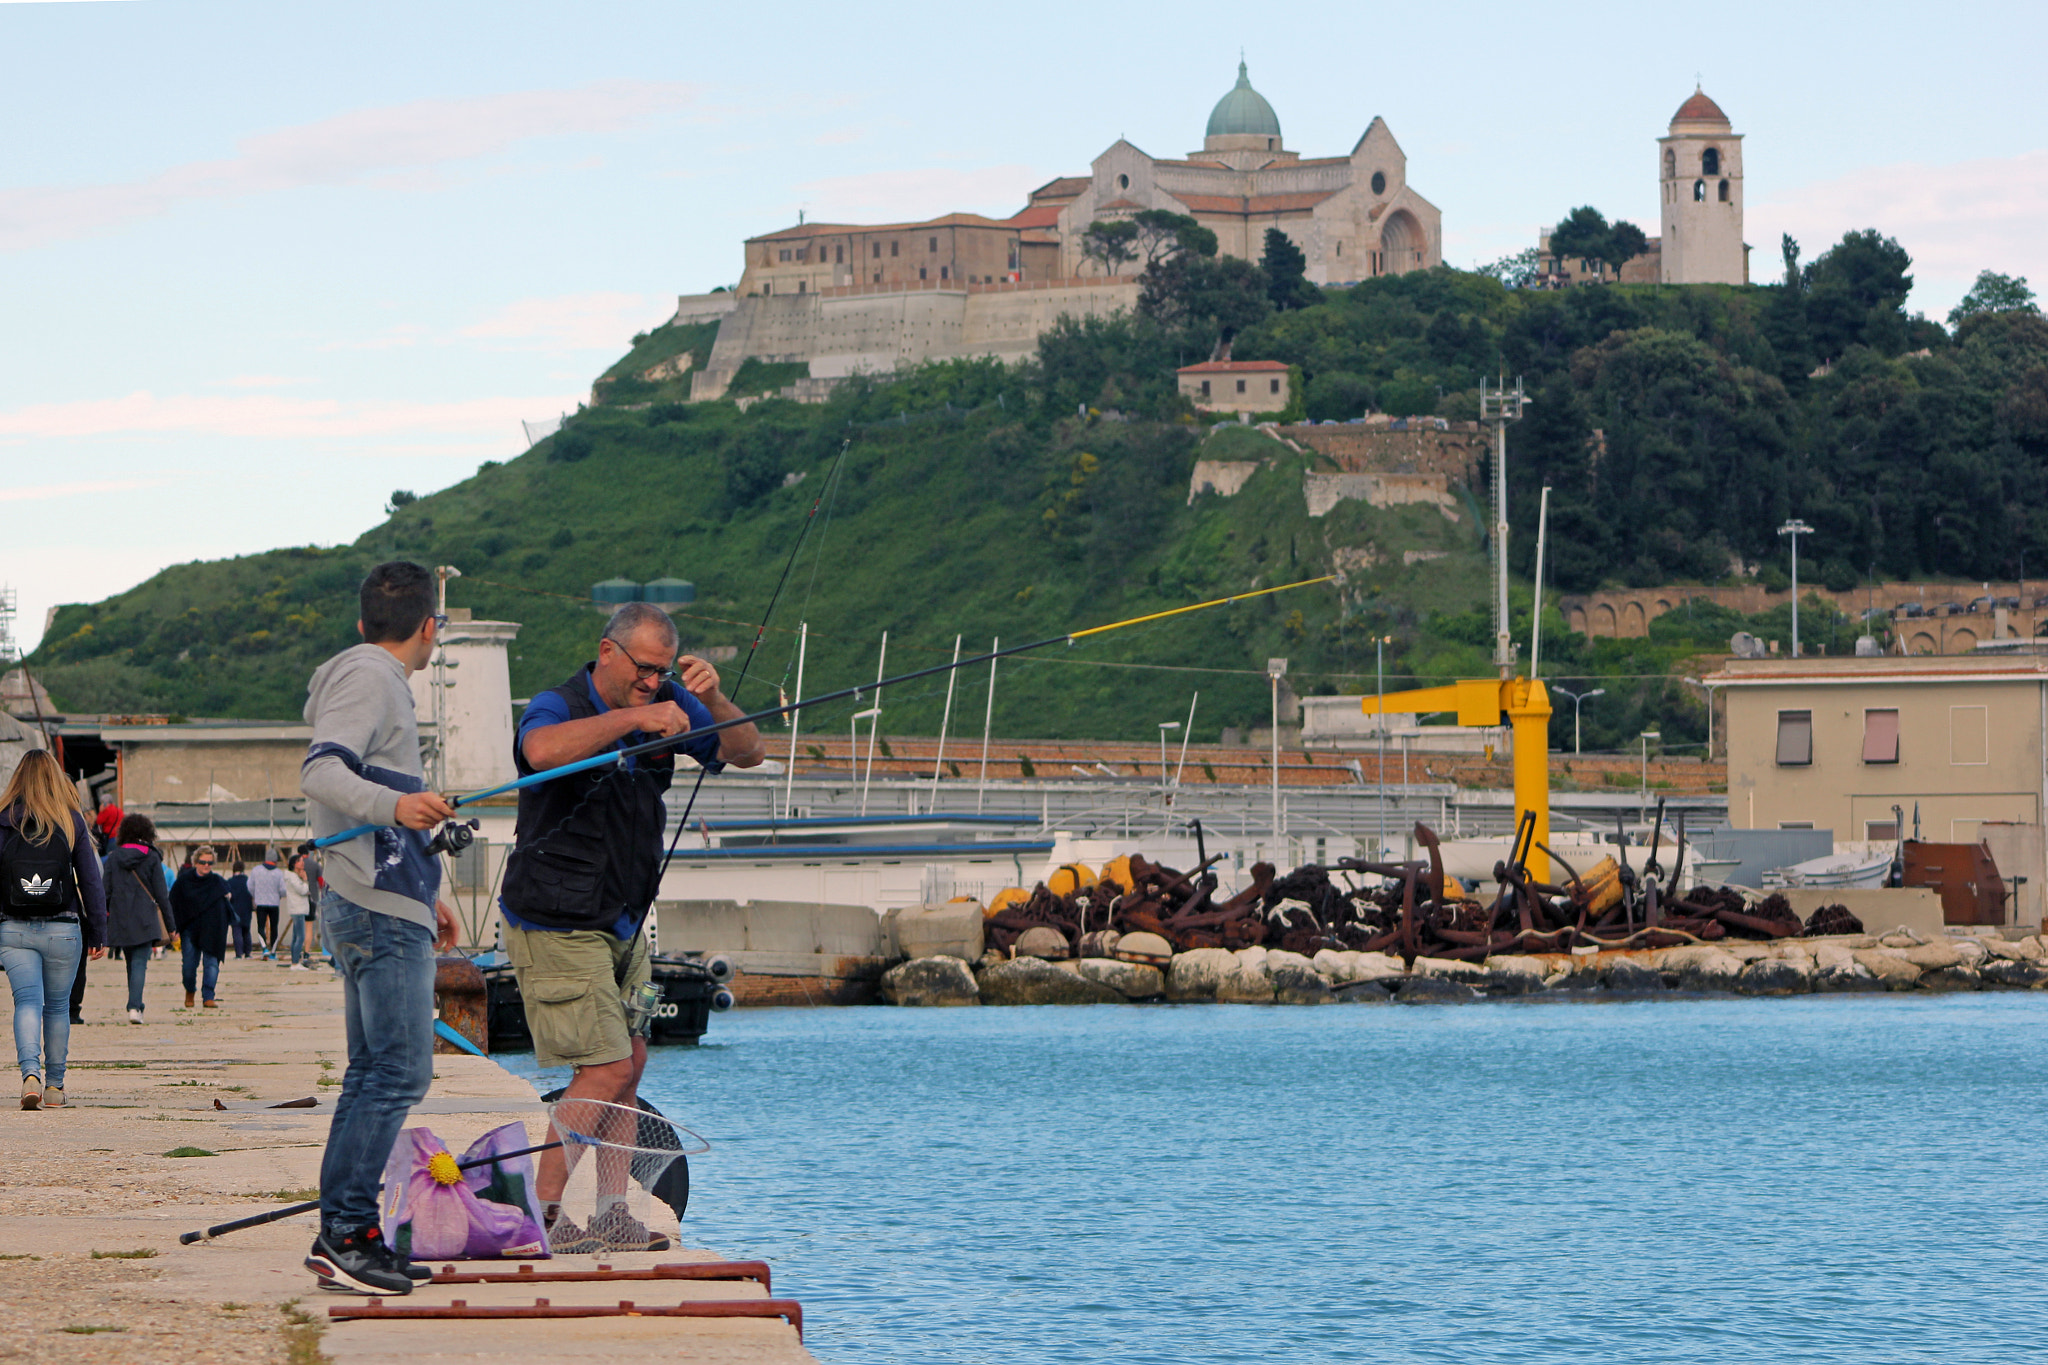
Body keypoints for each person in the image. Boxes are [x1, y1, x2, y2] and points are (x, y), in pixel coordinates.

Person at [501, 601, 765, 1252]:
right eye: (644, 668)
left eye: (664, 671)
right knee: (604, 1064)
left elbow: (746, 751)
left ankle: (614, 1210)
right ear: (608, 651)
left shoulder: (674, 701)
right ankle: (544, 1212)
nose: (655, 681)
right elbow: (537, 751)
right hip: (557, 921)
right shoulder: (557, 703)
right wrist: (638, 718)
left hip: (623, 921)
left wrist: (717, 699)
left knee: (633, 1059)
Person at [299, 560, 459, 1297]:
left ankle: (347, 1231)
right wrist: (398, 810)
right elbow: (323, 772)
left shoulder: (362, 672)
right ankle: (348, 1232)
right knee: (400, 1070)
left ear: (364, 619)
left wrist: (434, 892)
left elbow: (373, 787)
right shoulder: (369, 676)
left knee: (375, 1070)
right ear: (429, 627)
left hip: (389, 898)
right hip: (376, 905)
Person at [0, 750, 107, 1110]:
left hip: (13, 928)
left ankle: (30, 1075)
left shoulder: (3, 820)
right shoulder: (70, 820)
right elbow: (90, 881)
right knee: (58, 1007)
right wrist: (100, 932)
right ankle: (56, 1086)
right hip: (63, 927)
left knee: (27, 1002)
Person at [102, 814, 175, 1024]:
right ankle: (134, 1007)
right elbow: (162, 895)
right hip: (145, 918)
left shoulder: (114, 857)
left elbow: (105, 891)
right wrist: (171, 927)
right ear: (147, 832)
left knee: (130, 963)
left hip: (120, 918)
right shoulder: (152, 857)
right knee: (140, 964)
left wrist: (101, 921)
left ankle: (136, 1005)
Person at [170, 847, 230, 1007]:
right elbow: (173, 903)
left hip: (212, 931)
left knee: (211, 964)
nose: (206, 865)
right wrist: (173, 927)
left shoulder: (218, 882)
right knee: (189, 966)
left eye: (210, 863)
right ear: (195, 862)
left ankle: (208, 996)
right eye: (203, 862)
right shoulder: (183, 881)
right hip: (190, 930)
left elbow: (229, 902)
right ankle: (190, 990)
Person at [247, 853, 285, 960]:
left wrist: (255, 895)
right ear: (275, 860)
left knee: (261, 926)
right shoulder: (278, 873)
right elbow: (283, 889)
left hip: (260, 902)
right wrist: (279, 896)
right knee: (274, 927)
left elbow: (249, 886)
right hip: (274, 903)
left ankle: (264, 949)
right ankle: (273, 951)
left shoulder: (256, 870)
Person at [279, 853, 312, 970]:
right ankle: (295, 962)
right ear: (294, 864)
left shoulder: (292, 876)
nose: (302, 863)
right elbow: (303, 890)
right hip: (298, 909)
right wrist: (306, 880)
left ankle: (295, 961)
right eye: (300, 861)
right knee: (300, 936)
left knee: (295, 936)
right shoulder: (293, 877)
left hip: (297, 908)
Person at [225, 861, 255, 958]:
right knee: (246, 930)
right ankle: (248, 953)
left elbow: (228, 896)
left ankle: (238, 954)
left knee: (236, 931)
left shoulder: (230, 881)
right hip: (247, 908)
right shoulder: (248, 880)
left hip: (235, 909)